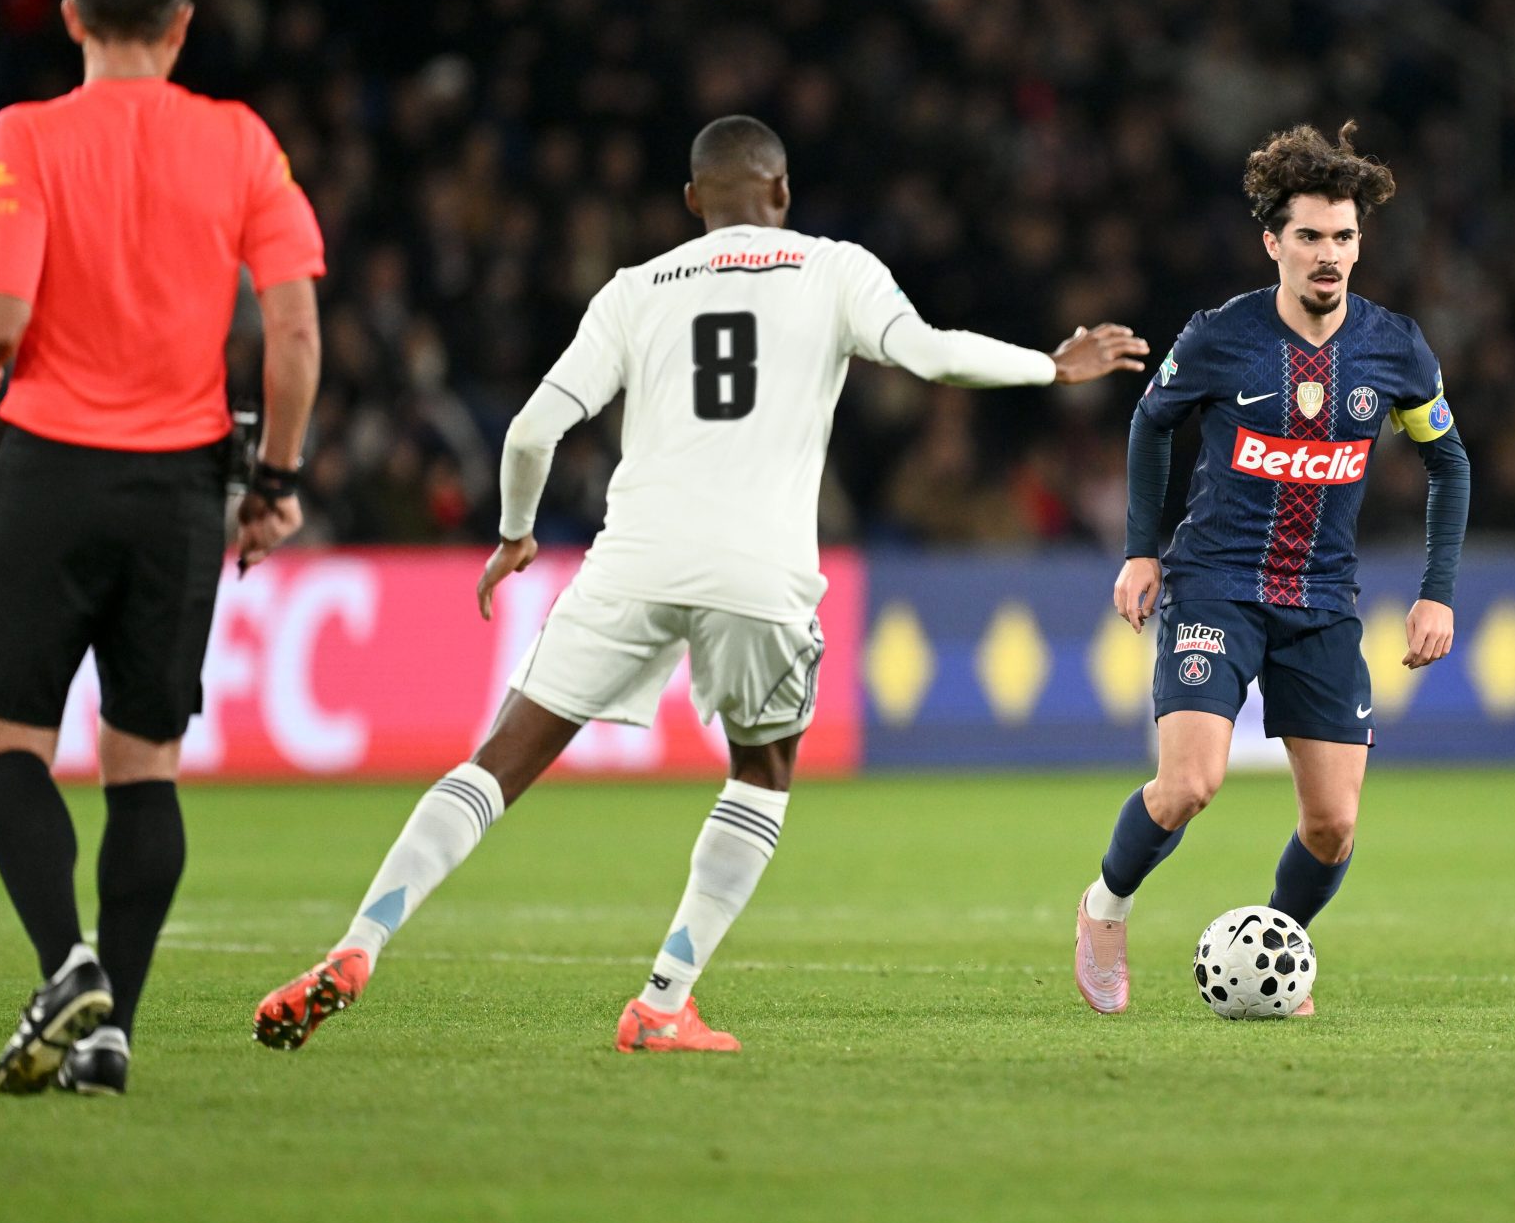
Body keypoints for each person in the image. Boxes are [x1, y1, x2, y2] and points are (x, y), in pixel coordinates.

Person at [252, 115, 1146, 1054]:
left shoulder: (635, 289)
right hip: (758, 570)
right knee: (761, 770)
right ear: (783, 192)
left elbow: (527, 431)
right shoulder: (836, 267)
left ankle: (359, 941)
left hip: (633, 558)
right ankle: (663, 998)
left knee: (498, 759)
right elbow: (929, 354)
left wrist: (517, 531)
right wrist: (1052, 363)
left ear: (692, 203)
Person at [0, 0, 324, 1096]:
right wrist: (271, 479)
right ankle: (113, 1030)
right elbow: (295, 331)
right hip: (182, 486)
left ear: (68, 18)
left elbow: (0, 313)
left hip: (53, 469)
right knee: (145, 764)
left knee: (10, 744)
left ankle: (66, 961)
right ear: (181, 27)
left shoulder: (28, 133)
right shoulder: (240, 143)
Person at [1071, 122, 1470, 1016]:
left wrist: (1436, 593)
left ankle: (1272, 951)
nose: (1328, 256)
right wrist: (1143, 547)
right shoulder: (1221, 337)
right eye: (1309, 237)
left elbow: (1450, 462)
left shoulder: (1395, 348)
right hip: (1215, 582)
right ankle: (1104, 908)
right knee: (1190, 783)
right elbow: (1150, 422)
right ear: (1272, 242)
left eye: (1344, 238)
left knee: (1332, 825)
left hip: (1324, 602)